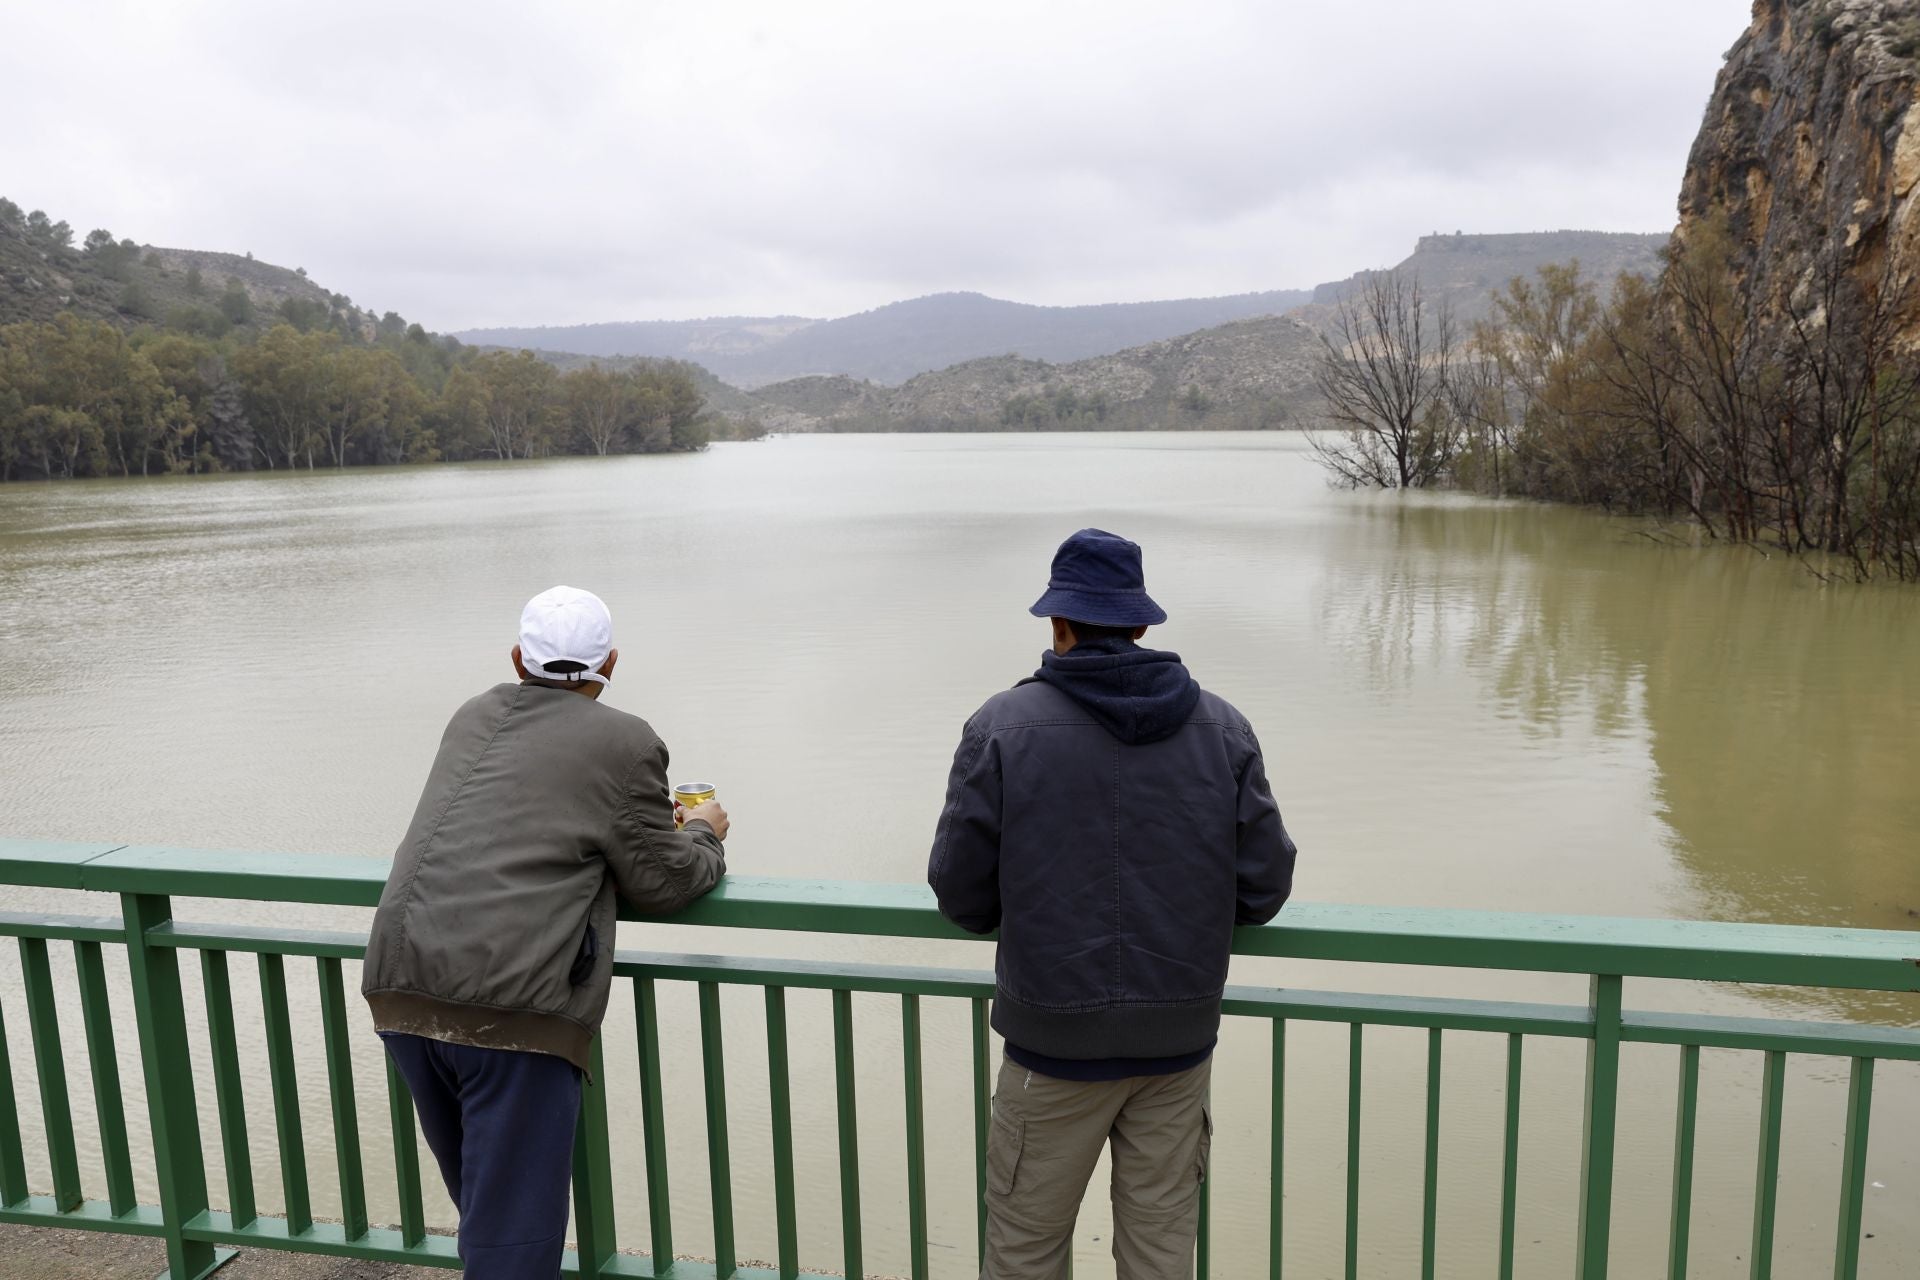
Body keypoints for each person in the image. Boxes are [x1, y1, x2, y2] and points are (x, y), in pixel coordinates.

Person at [928, 529, 1296, 1280]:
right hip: (1177, 1046)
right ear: (1140, 624)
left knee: (1025, 1251)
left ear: (1058, 626)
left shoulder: (1001, 728)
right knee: (1161, 1257)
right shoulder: (1223, 729)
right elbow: (1264, 890)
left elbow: (960, 894)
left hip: (1050, 1050)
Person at [362, 584, 729, 1278]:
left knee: (487, 1217)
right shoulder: (627, 740)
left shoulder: (473, 715)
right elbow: (665, 879)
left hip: (404, 988)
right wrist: (705, 836)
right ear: (610, 665)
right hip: (513, 1011)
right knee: (513, 1248)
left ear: (516, 659)